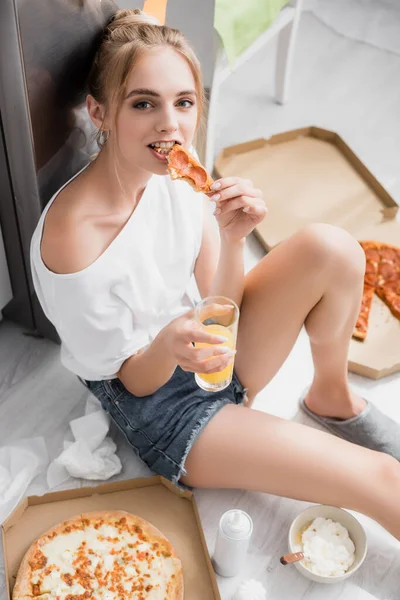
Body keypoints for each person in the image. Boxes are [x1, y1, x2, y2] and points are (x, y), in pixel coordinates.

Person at [31, 8, 400, 541]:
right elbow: (133, 379)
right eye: (143, 104)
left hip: (211, 351)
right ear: (99, 112)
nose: (170, 124)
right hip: (165, 409)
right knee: (381, 479)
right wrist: (171, 342)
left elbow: (221, 303)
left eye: (184, 102)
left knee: (334, 249)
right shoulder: (74, 241)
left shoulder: (178, 169)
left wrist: (231, 237)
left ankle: (331, 396)